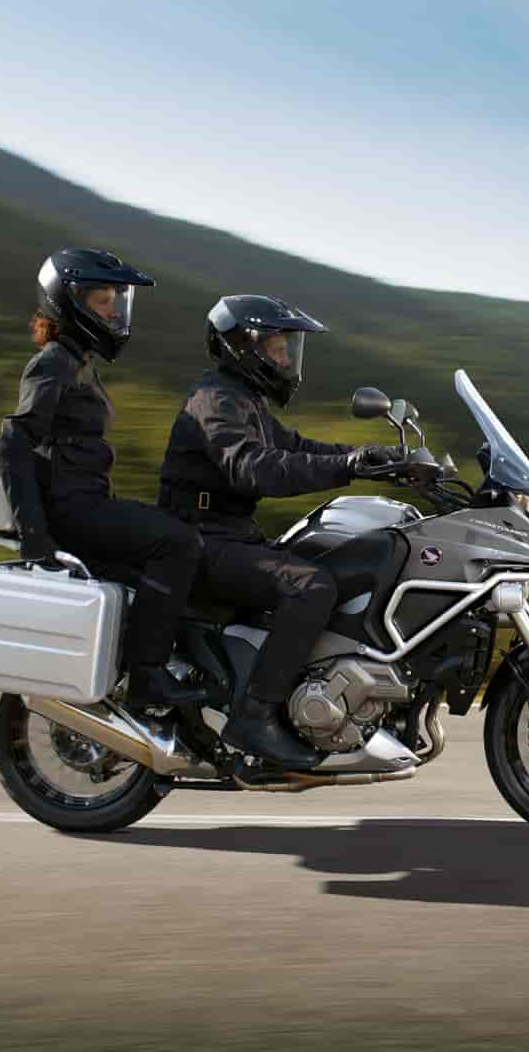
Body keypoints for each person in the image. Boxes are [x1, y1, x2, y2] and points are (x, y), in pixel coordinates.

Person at [158, 295, 400, 767]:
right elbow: (256, 468)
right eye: (276, 348)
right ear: (241, 347)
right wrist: (348, 466)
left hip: (230, 534)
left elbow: (296, 445)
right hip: (201, 539)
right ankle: (254, 716)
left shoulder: (242, 398)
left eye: (288, 349)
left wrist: (374, 458)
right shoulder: (215, 400)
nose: (286, 359)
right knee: (312, 587)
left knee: (325, 560)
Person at [0, 248, 206, 707]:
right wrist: (33, 536)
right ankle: (147, 676)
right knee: (178, 543)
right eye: (102, 300)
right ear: (69, 302)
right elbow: (13, 441)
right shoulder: (55, 361)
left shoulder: (78, 361)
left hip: (88, 500)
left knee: (181, 535)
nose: (114, 311)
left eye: (116, 300)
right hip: (73, 509)